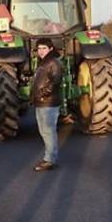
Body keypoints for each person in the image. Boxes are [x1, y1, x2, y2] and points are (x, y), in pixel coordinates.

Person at [30, 38, 63, 172]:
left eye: (44, 48)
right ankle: (49, 157)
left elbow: (55, 82)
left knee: (48, 131)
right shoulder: (43, 63)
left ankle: (49, 159)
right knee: (44, 131)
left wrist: (43, 93)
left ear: (50, 49)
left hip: (48, 102)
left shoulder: (53, 63)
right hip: (41, 102)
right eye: (39, 49)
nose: (41, 51)